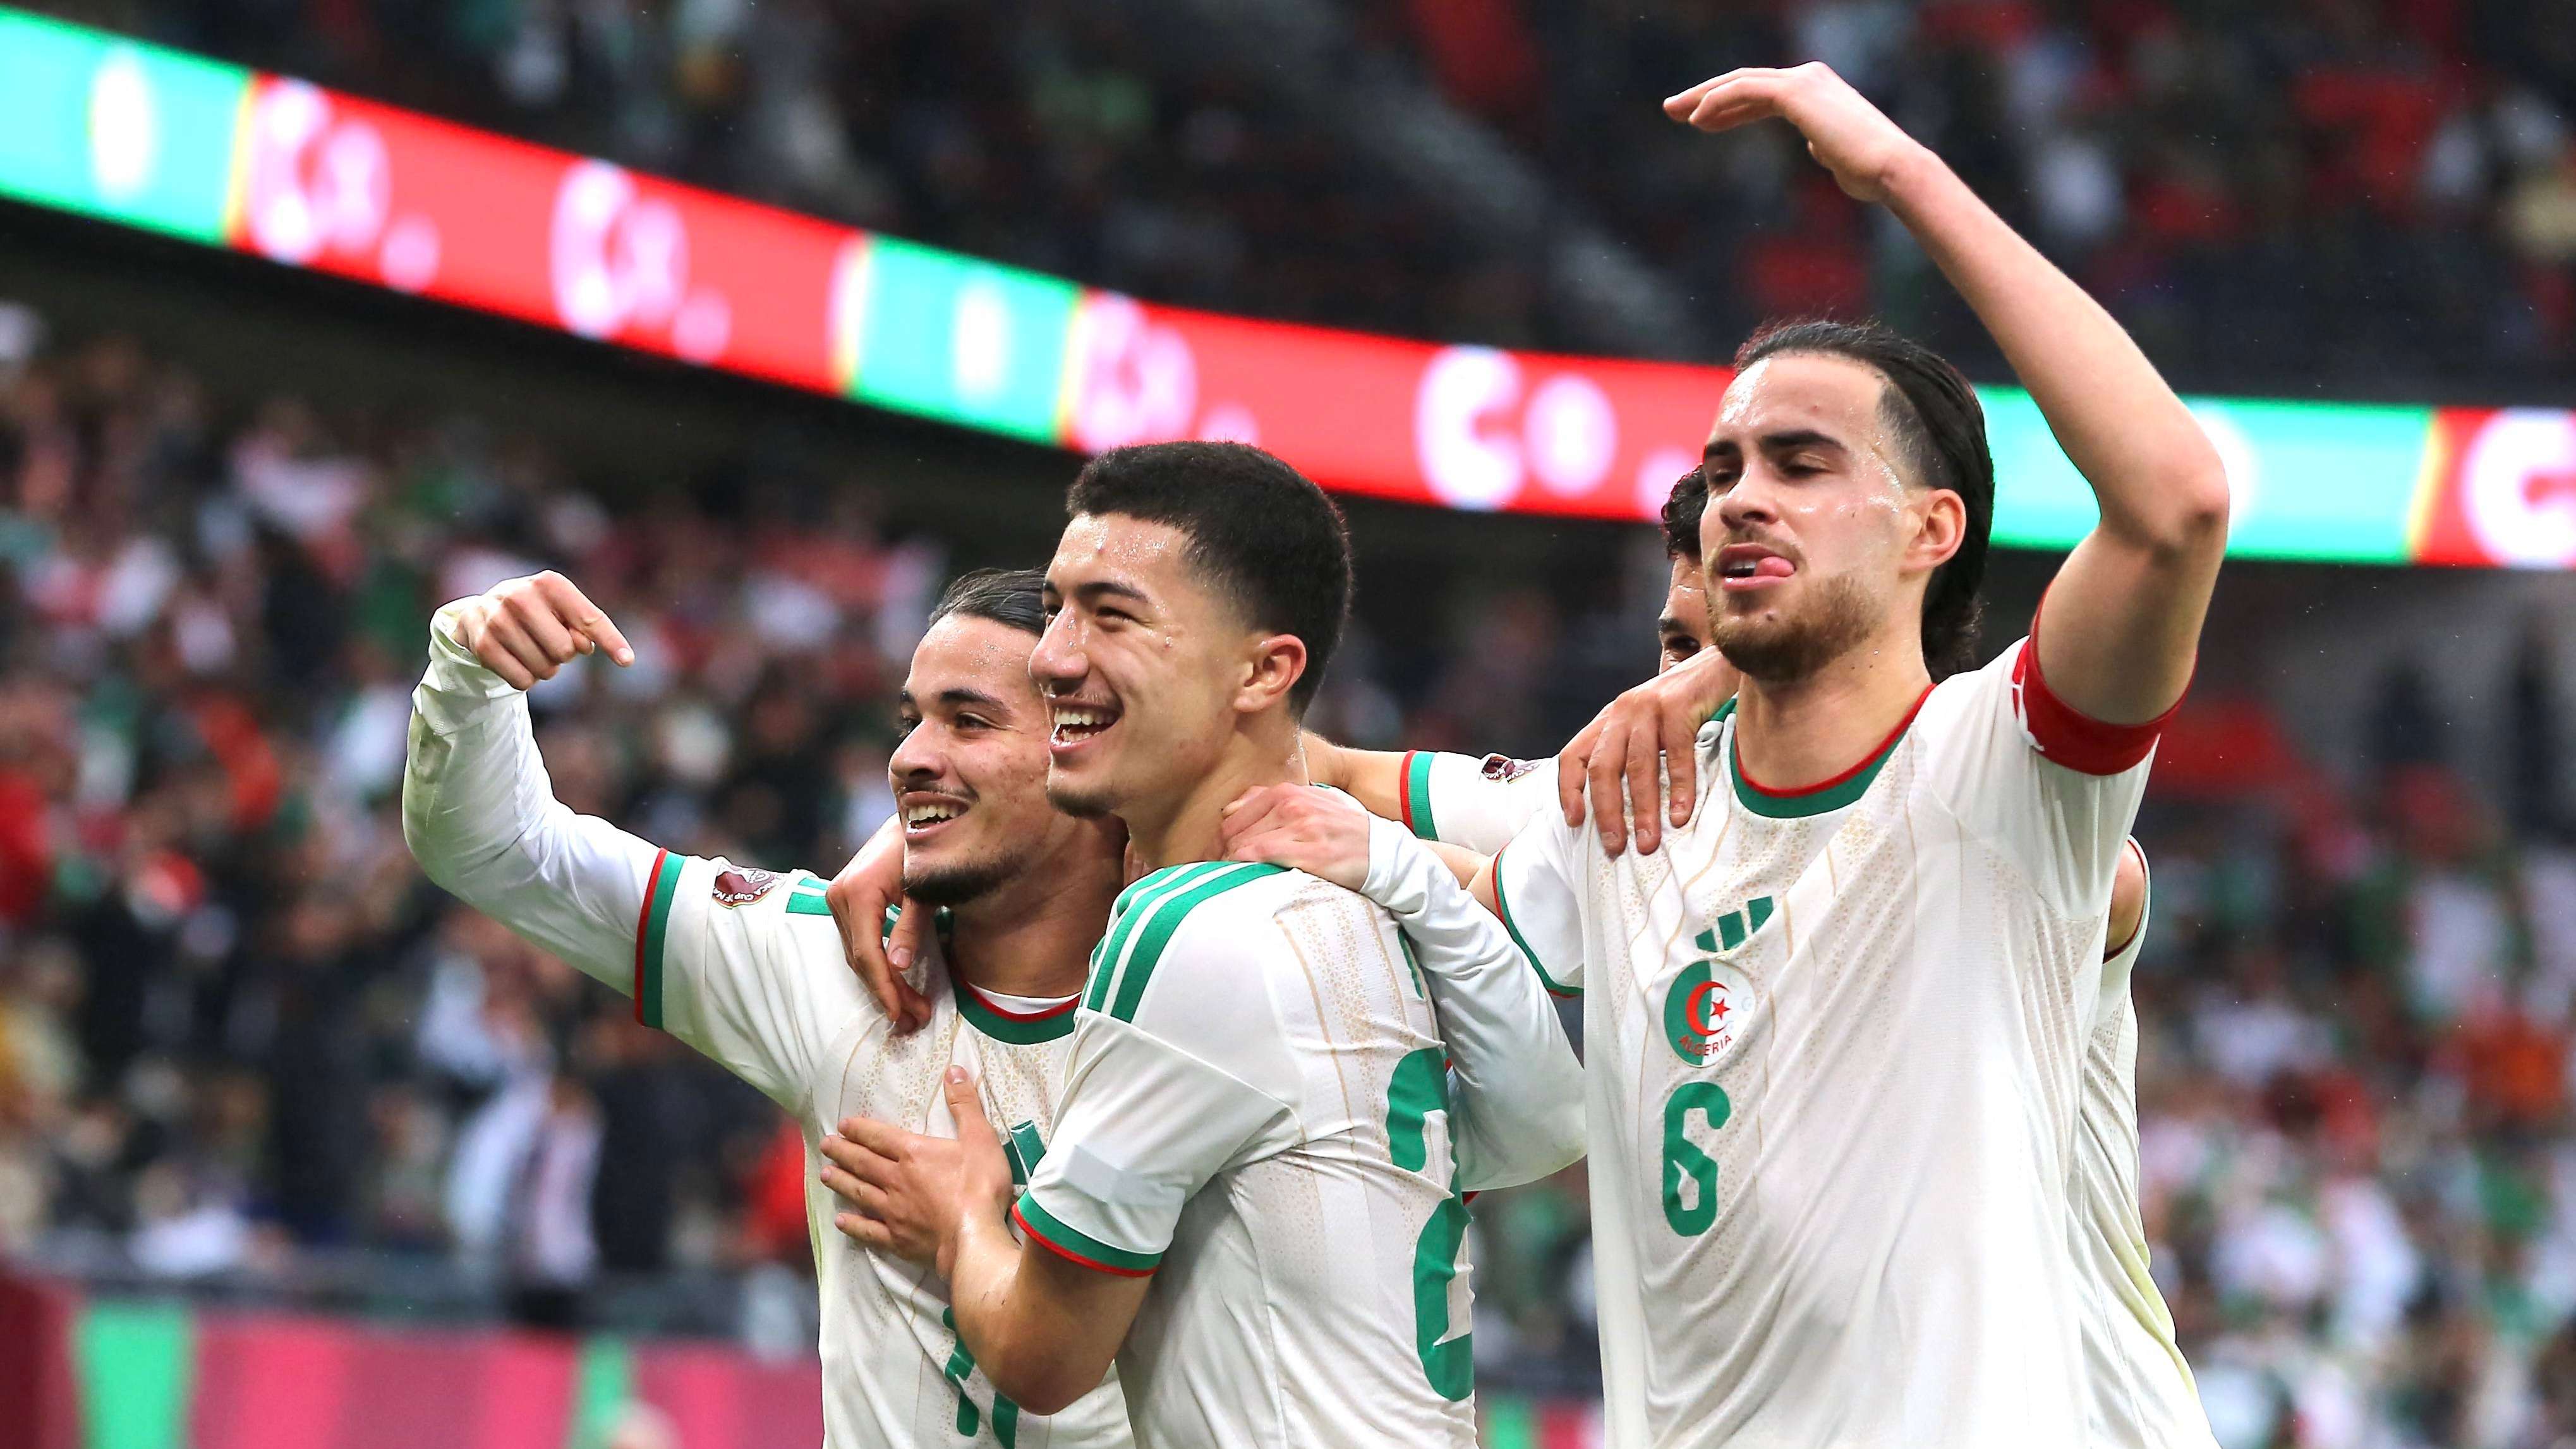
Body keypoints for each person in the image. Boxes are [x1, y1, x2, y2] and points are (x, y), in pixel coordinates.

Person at [1465, 64, 2230, 1446]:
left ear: (1931, 529)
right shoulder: (1632, 798)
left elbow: (2173, 504)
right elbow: (1382, 832)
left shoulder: (1996, 775)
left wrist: (1900, 176)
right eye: (1724, 470)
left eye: (1801, 463)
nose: (1739, 498)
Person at [819, 442, 1583, 1446]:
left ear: (1263, 670)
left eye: (1111, 615)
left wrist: (964, 1213)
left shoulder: (1186, 933)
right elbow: (1545, 1123)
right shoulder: (1361, 892)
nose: (1052, 656)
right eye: (1055, 607)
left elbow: (1043, 1356)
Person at [404, 567, 1140, 1446]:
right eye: (911, 720)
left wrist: (973, 1226)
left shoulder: (1222, 995)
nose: (909, 758)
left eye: (969, 721)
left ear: (1089, 747)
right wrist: (470, 673)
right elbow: (503, 850)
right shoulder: (830, 958)